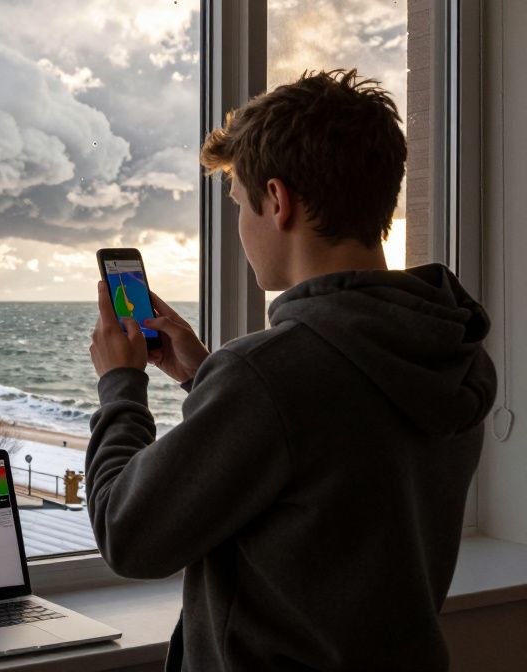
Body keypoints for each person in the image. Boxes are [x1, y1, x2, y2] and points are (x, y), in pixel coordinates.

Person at [85, 69, 496, 671]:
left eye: (239, 206)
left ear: (278, 201)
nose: (243, 231)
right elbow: (335, 465)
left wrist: (121, 385)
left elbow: (128, 532)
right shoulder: (449, 348)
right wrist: (206, 375)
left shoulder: (269, 377)